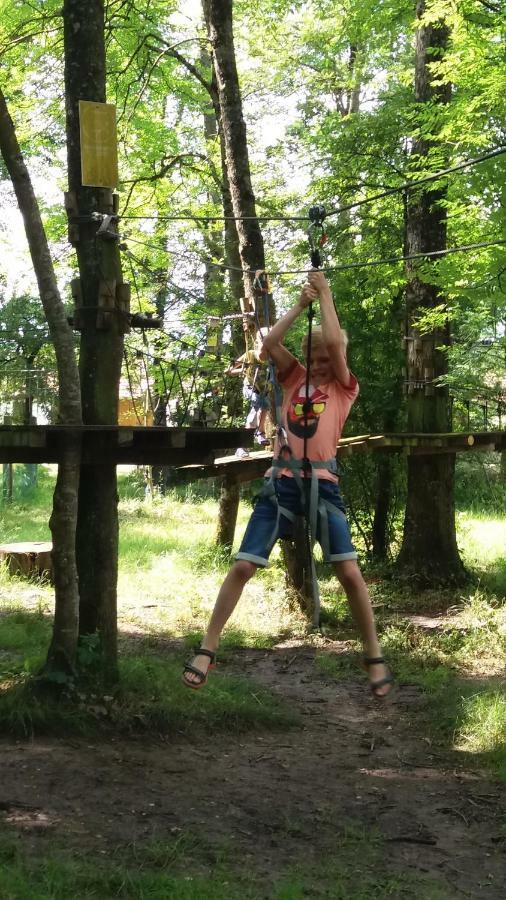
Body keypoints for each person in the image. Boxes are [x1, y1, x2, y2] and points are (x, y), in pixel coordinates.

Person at [182, 271, 394, 698]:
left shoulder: (343, 388)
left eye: (323, 360)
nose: (317, 365)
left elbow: (335, 346)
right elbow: (266, 346)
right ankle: (209, 645)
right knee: (243, 565)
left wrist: (327, 294)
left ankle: (373, 654)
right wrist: (300, 304)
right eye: (311, 358)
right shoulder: (294, 379)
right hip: (280, 483)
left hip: (323, 484)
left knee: (349, 572)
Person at [226, 328, 271, 451]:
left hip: (264, 389)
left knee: (265, 407)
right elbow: (229, 370)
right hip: (251, 388)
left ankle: (260, 433)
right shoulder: (250, 354)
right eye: (264, 339)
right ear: (258, 341)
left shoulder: (272, 355)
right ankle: (242, 446)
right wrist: (242, 370)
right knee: (257, 408)